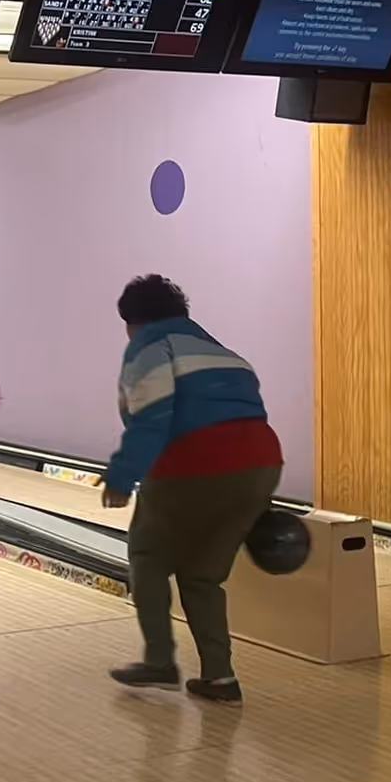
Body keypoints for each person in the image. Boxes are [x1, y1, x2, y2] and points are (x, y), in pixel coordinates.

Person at [101, 275, 282, 704]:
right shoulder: (227, 354)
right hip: (261, 467)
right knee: (201, 575)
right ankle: (219, 678)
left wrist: (122, 477)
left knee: (147, 554)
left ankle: (160, 662)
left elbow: (151, 418)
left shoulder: (147, 349)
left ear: (133, 321)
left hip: (194, 464)